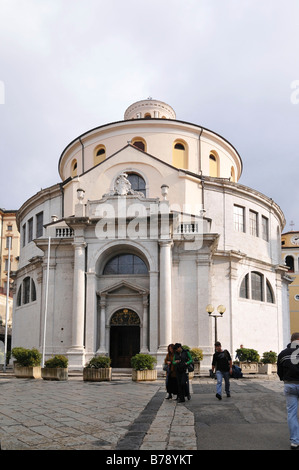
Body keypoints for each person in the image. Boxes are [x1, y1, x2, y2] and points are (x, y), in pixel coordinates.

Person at [277, 332, 299, 450]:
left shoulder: (283, 354)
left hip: (290, 385)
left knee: (292, 414)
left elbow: (279, 371)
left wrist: (284, 379)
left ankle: (295, 441)